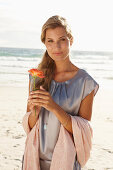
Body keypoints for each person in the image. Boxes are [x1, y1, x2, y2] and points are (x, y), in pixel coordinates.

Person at [22, 15, 99, 170]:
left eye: (62, 40)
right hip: (34, 158)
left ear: (71, 40)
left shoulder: (85, 82)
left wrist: (54, 107)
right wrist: (35, 111)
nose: (56, 47)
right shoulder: (37, 77)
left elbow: (82, 132)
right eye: (50, 41)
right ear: (44, 43)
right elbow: (29, 126)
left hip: (66, 162)